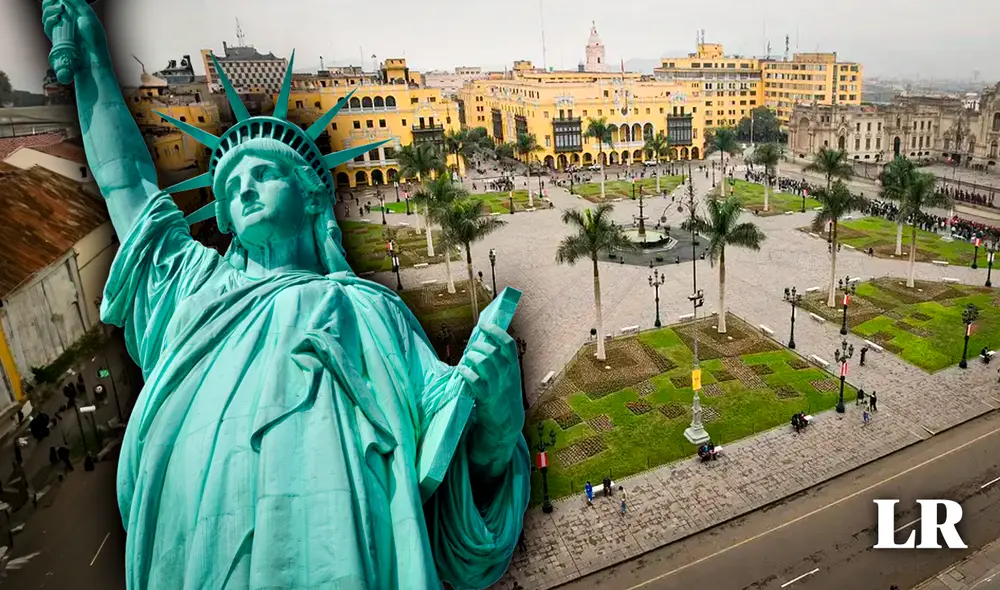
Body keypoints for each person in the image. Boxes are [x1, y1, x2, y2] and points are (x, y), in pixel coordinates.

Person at [38, 2, 530, 588]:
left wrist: (498, 424)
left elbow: (450, 455)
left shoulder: (372, 313)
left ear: (314, 197)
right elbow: (125, 182)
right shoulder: (197, 289)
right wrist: (92, 57)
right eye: (232, 186)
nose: (244, 190)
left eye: (263, 174)